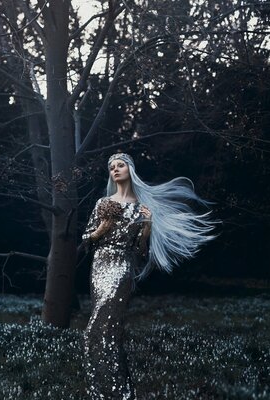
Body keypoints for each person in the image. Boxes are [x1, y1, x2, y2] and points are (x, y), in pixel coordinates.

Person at [81, 152, 218, 400]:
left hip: (122, 268)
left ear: (130, 170)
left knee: (97, 330)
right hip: (99, 265)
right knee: (105, 330)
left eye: (120, 165)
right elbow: (86, 240)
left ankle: (116, 392)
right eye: (112, 167)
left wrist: (146, 227)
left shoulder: (140, 208)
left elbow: (139, 252)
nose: (115, 169)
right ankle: (106, 391)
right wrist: (101, 229)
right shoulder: (103, 203)